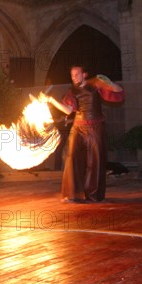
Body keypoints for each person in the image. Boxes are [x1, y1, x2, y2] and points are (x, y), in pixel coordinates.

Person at [47, 65, 124, 203]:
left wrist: (110, 83)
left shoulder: (96, 84)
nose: (74, 77)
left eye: (77, 74)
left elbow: (118, 92)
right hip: (78, 127)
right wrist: (51, 100)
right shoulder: (72, 91)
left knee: (95, 161)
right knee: (72, 157)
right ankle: (72, 194)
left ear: (84, 74)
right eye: (72, 75)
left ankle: (93, 196)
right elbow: (68, 109)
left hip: (95, 127)